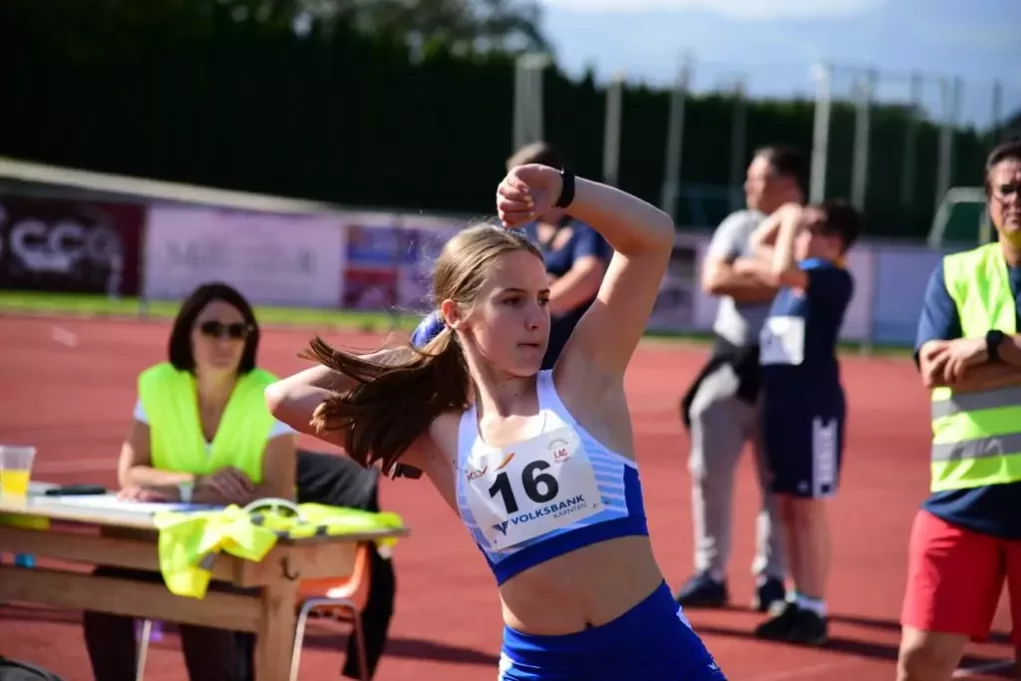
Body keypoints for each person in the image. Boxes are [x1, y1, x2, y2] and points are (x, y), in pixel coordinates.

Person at [266, 164, 727, 680]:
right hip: (541, 667)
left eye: (543, 299)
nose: (536, 318)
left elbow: (651, 240)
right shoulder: (440, 438)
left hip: (651, 652)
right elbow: (285, 397)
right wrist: (418, 354)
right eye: (511, 301)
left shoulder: (582, 382)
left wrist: (566, 191)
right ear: (456, 314)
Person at [82, 281, 298, 681]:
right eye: (212, 329)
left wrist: (188, 490)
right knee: (102, 592)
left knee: (201, 598)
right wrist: (196, 485)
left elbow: (279, 492)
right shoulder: (159, 385)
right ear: (186, 335)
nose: (226, 340)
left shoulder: (270, 394)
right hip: (159, 547)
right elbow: (130, 471)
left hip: (239, 558)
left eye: (238, 331)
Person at [897, 137, 1021, 681]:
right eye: (1007, 188)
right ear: (990, 199)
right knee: (920, 660)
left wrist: (987, 347)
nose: (1017, 198)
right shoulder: (956, 273)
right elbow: (933, 368)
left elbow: (962, 365)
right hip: (961, 495)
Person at [675, 146, 805, 612]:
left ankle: (772, 580)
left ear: (790, 183)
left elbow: (802, 280)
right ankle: (710, 571)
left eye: (760, 179)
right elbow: (715, 280)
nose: (750, 187)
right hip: (730, 366)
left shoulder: (810, 227)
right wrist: (773, 276)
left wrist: (750, 273)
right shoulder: (737, 225)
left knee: (777, 482)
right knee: (707, 472)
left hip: (787, 372)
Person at [735, 199, 860, 644]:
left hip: (814, 411)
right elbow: (758, 243)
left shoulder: (831, 277)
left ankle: (815, 606)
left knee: (808, 508)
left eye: (812, 230)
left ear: (834, 241)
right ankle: (796, 597)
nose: (801, 235)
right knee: (786, 506)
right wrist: (788, 216)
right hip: (782, 408)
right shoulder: (797, 279)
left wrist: (789, 217)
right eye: (802, 230)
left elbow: (779, 265)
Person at [410, 142, 611, 368]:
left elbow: (588, 277)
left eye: (520, 185)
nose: (510, 193)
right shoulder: (517, 228)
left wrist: (533, 303)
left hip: (566, 353)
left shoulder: (583, 230)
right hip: (515, 353)